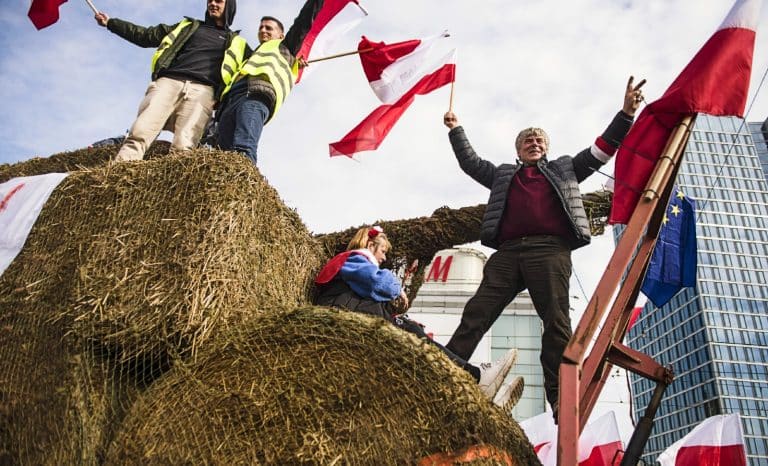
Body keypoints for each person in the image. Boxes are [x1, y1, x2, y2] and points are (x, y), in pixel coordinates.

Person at [441, 76, 646, 421]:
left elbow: (601, 151)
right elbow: (471, 163)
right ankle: (445, 370)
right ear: (518, 150)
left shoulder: (565, 170)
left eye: (538, 140)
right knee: (477, 312)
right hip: (507, 253)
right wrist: (455, 129)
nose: (533, 142)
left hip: (549, 252)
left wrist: (626, 113)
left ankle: (561, 400)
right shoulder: (504, 175)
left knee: (555, 322)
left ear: (546, 148)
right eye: (526, 140)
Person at [314, 226, 519, 401]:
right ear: (369, 246)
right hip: (345, 315)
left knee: (413, 335)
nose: (384, 257)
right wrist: (398, 289)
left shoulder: (352, 266)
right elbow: (379, 281)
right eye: (382, 251)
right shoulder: (355, 260)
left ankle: (471, 390)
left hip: (351, 315)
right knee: (413, 336)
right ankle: (476, 378)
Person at [94, 0, 246, 162]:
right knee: (140, 133)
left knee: (184, 147)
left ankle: (175, 186)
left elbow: (257, 65)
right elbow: (146, 35)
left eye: (219, 1)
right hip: (169, 82)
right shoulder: (188, 26)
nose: (212, 4)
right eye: (209, 1)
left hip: (203, 92)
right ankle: (119, 176)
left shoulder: (238, 43)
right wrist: (111, 23)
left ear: (229, 6)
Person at [216, 0, 323, 165]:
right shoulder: (251, 54)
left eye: (268, 28)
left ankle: (243, 187)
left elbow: (304, 19)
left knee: (243, 147)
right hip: (230, 102)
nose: (263, 30)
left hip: (254, 97)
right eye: (260, 27)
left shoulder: (286, 46)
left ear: (281, 34)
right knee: (221, 155)